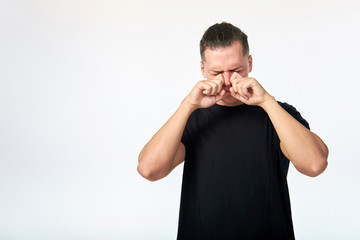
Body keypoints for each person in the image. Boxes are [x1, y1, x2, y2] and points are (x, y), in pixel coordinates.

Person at [137, 22, 328, 240]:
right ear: (202, 70)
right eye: (216, 72)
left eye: (236, 70)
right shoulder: (189, 118)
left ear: (250, 63)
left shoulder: (278, 113)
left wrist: (266, 101)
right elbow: (149, 170)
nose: (227, 81)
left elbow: (315, 164)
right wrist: (188, 105)